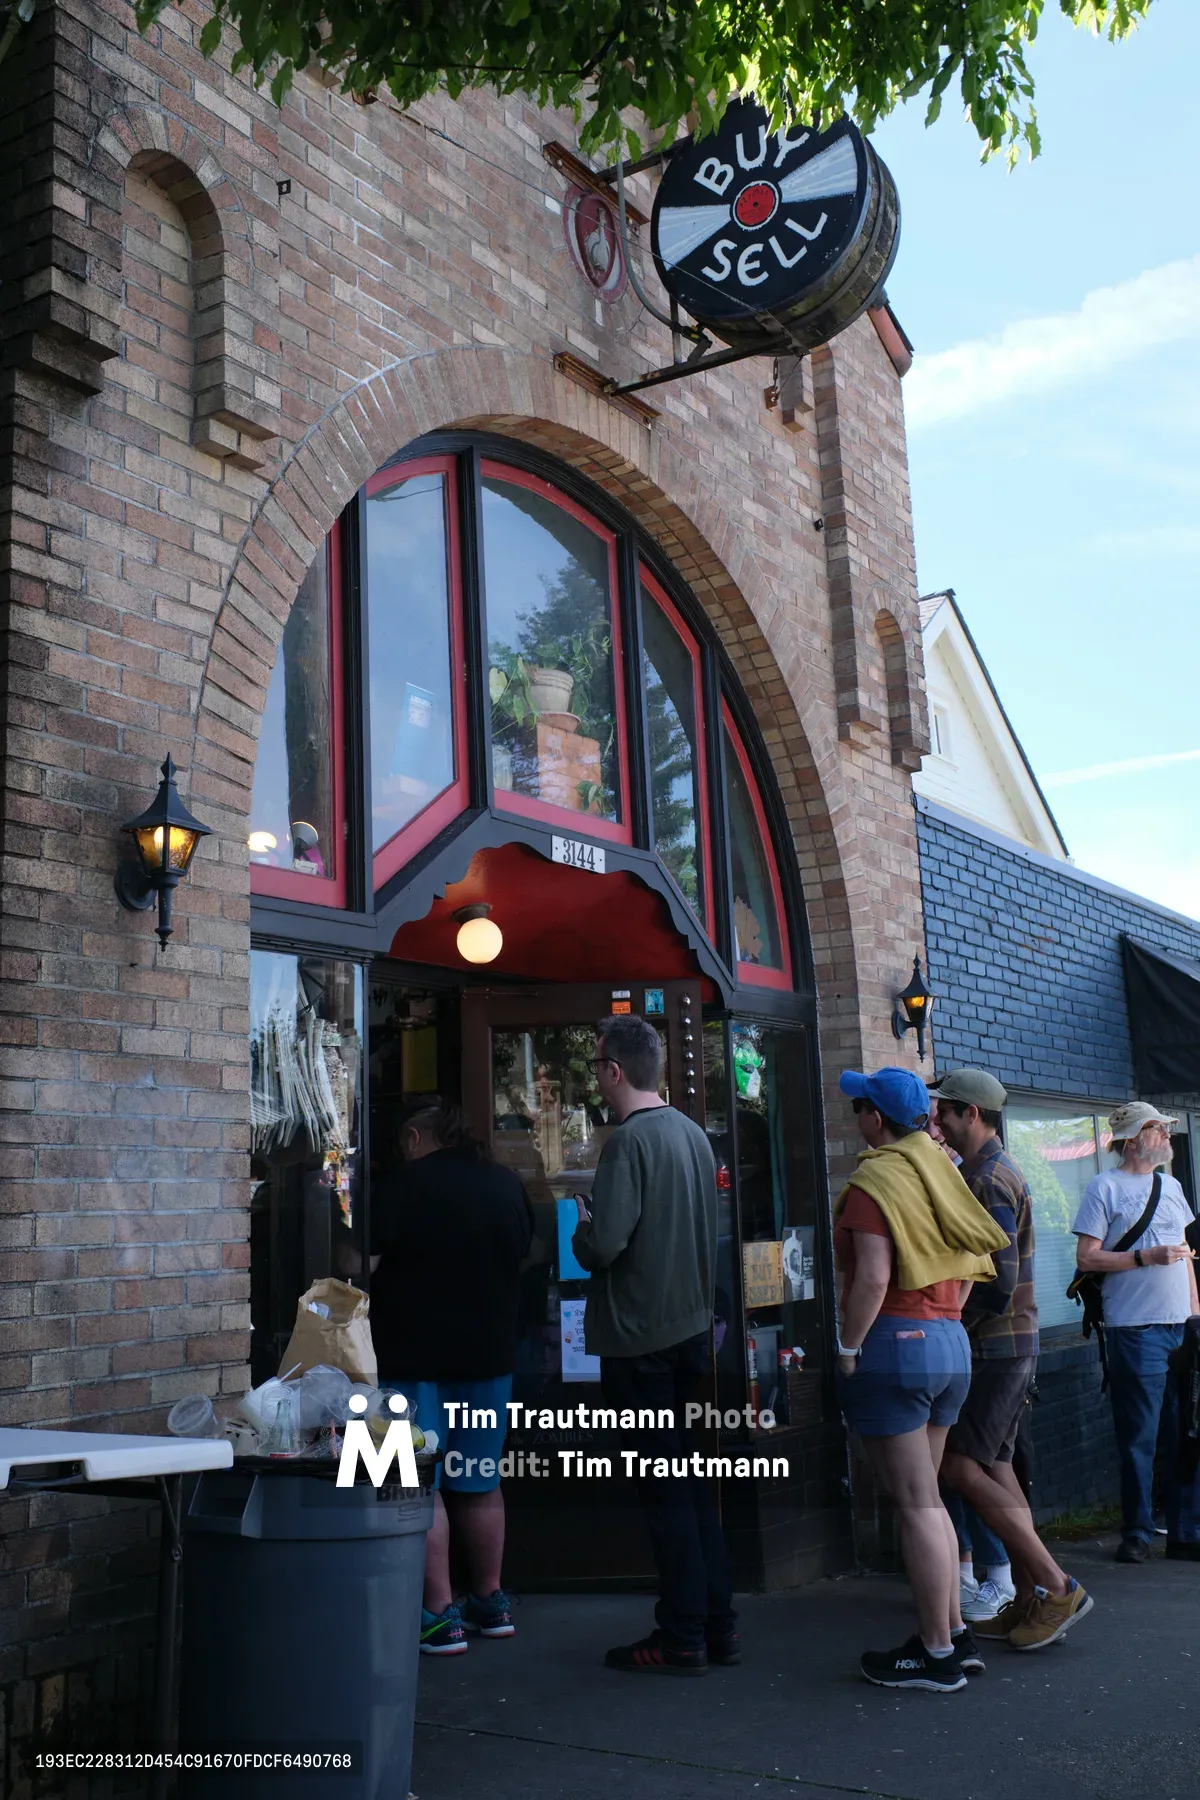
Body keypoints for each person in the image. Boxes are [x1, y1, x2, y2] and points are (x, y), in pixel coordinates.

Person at [834, 1066, 1009, 1693]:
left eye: (858, 1106)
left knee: (914, 1503)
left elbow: (873, 1278)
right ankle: (952, 1632)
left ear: (876, 1119)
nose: (856, 1116)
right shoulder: (944, 1171)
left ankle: (936, 1652)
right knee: (928, 1498)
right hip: (949, 1343)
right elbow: (973, 1264)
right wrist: (944, 1320)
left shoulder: (874, 1180)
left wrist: (848, 1347)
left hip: (897, 1344)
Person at [572, 1013, 734, 1676]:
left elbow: (604, 1245)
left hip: (640, 1340)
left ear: (614, 1071)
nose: (597, 1079)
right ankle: (717, 1625)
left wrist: (583, 1226)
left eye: (595, 1068)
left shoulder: (627, 1143)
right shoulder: (693, 1135)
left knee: (665, 1494)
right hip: (691, 1334)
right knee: (693, 1490)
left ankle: (683, 1635)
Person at [935, 1070, 1093, 1650]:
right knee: (997, 1469)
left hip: (997, 1346)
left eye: (947, 1110)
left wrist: (950, 1321)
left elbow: (997, 1281)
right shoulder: (988, 1171)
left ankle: (1058, 1586)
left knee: (957, 1467)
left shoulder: (987, 1179)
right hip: (1007, 1344)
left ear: (972, 1114)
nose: (939, 1120)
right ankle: (1029, 1601)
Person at [368, 1101, 534, 1654]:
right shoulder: (506, 1183)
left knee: (416, 1482)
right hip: (487, 1357)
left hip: (408, 1359)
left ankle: (439, 1614)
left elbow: (357, 1257)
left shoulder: (402, 1185)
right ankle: (490, 1599)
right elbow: (525, 1255)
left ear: (414, 1137)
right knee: (481, 1477)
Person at [1072, 1102, 1200, 1563]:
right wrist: (1145, 1257)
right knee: (1139, 1436)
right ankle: (1138, 1531)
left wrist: (1196, 1317)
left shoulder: (1172, 1185)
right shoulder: (1104, 1187)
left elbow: (1184, 1255)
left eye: (1167, 1129)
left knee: (1185, 1433)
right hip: (1135, 1328)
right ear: (1133, 1140)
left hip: (1180, 1328)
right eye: (1158, 1130)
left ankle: (1185, 1530)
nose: (1168, 1136)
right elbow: (1087, 1258)